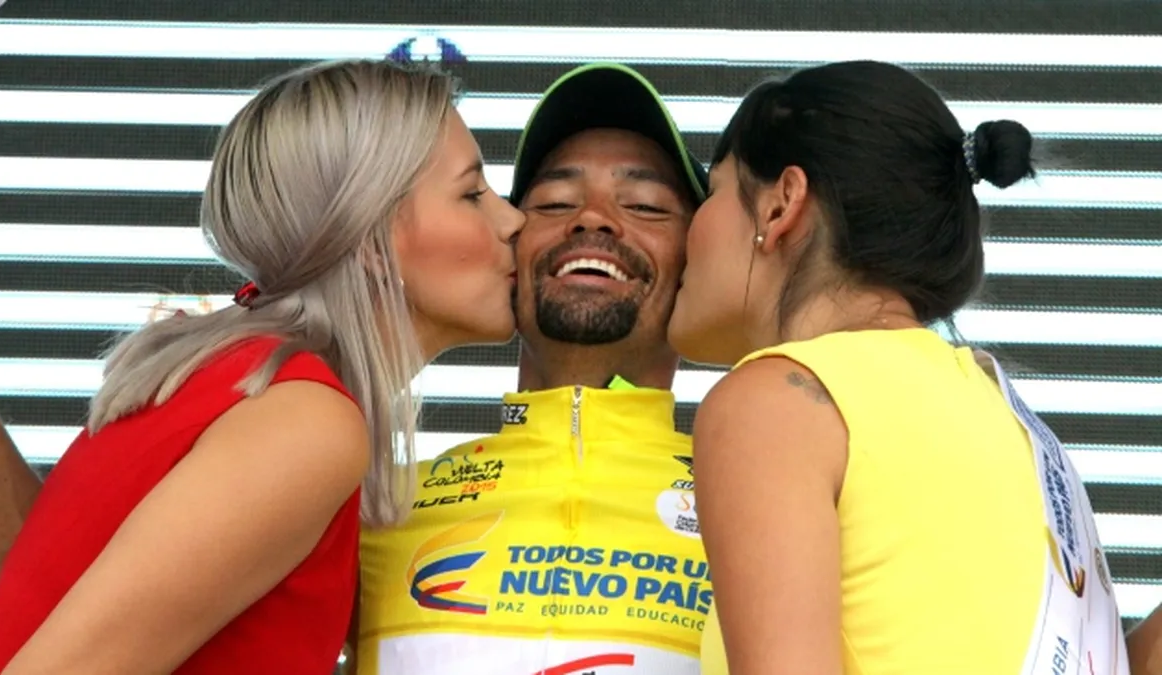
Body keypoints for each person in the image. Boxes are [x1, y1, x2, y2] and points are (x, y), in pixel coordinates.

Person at [0, 58, 524, 674]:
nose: (513, 220)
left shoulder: (242, 382)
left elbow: (29, 611)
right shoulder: (303, 420)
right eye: (473, 194)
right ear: (371, 237)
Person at [667, 60, 1129, 675]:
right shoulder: (1006, 418)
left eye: (713, 191)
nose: (686, 228)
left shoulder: (773, 404)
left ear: (781, 205)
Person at [353, 62, 712, 674]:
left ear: (696, 264)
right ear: (509, 253)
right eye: (555, 202)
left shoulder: (763, 511)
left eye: (646, 206)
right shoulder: (378, 504)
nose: (593, 217)